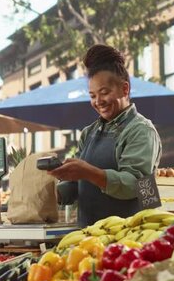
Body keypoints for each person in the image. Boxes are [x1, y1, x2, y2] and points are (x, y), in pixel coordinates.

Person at [49, 45, 162, 227]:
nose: (97, 102)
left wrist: (87, 171)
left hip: (129, 236)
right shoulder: (89, 132)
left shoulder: (141, 130)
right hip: (89, 235)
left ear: (125, 89)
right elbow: (78, 183)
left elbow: (136, 184)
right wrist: (52, 193)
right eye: (92, 95)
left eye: (104, 93)